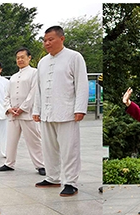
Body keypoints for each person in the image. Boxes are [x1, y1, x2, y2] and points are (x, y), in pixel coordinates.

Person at [33, 25, 88, 197]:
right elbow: (38, 89)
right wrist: (37, 109)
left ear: (62, 39)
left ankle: (71, 182)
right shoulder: (42, 62)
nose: (47, 43)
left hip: (67, 111)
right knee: (48, 147)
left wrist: (80, 108)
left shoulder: (74, 57)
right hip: (47, 112)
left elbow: (81, 84)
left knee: (69, 149)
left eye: (51, 39)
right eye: (45, 40)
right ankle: (52, 177)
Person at [0, 48, 45, 175]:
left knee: (34, 140)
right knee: (11, 140)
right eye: (18, 58)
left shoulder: (34, 73)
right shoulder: (13, 77)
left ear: (29, 58)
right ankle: (9, 163)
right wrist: (9, 108)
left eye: (22, 57)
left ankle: (41, 165)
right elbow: (6, 95)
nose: (19, 60)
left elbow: (33, 92)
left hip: (27, 114)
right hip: (13, 115)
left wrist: (22, 108)